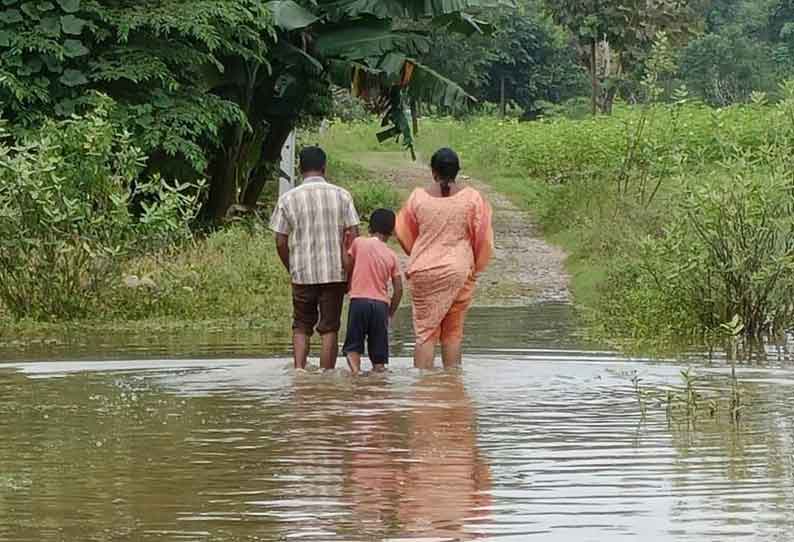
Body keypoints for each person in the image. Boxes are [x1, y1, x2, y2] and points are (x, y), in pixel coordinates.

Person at [395, 148, 494, 369]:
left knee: (425, 333)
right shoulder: (472, 199)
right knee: (452, 334)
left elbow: (402, 231)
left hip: (423, 271)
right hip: (458, 271)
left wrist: (419, 254)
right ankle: (452, 390)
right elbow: (483, 238)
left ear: (433, 171)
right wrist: (473, 267)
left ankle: (423, 391)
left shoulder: (417, 198)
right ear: (457, 171)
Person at [270, 146, 359, 370]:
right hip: (335, 272)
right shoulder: (342, 195)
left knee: (301, 324)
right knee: (329, 327)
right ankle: (326, 374)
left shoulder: (288, 199)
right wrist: (350, 271)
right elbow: (354, 237)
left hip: (302, 273)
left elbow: (280, 241)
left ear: (300, 169)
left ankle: (299, 370)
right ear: (324, 168)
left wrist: (292, 268)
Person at [341, 209, 403, 374]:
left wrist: (342, 244)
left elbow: (348, 264)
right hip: (381, 306)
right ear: (391, 231)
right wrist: (390, 312)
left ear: (370, 227)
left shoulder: (359, 243)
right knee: (379, 358)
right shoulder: (392, 255)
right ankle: (378, 381)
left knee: (353, 347)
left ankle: (356, 374)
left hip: (359, 302)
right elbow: (399, 289)